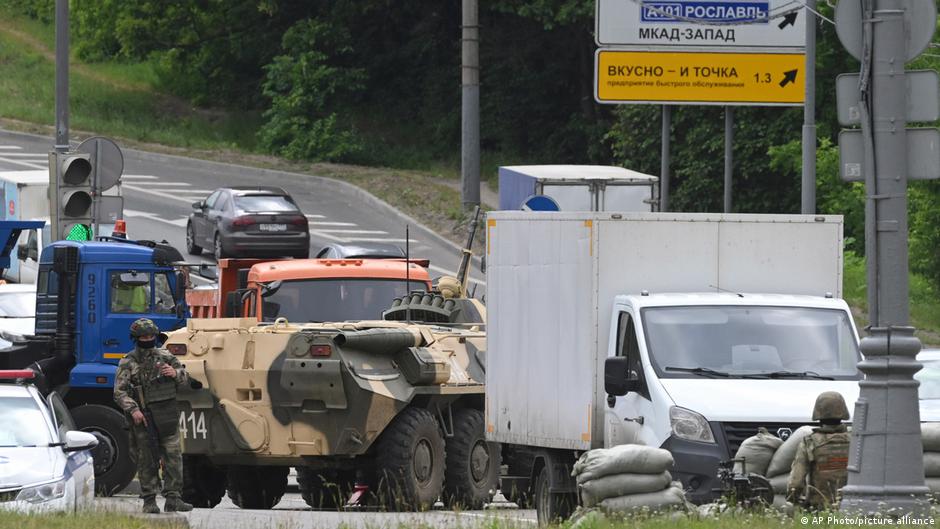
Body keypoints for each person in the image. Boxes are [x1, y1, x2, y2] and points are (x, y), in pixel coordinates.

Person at [113, 318, 193, 514]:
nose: (148, 339)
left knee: (173, 457)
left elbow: (186, 379)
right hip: (144, 418)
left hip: (167, 415)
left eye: (150, 336)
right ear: (136, 338)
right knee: (147, 459)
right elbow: (119, 392)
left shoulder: (166, 357)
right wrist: (134, 410)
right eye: (143, 337)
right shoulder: (128, 361)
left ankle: (173, 498)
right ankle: (149, 500)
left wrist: (175, 373)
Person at [787, 391, 851, 510]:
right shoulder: (856, 441)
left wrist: (794, 499)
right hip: (850, 507)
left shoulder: (809, 442)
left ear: (818, 414)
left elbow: (796, 482)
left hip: (819, 508)